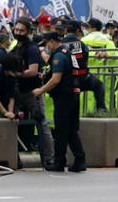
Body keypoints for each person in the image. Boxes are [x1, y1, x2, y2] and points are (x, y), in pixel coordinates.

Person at [32, 32, 86, 173]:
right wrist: (45, 75)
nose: (46, 46)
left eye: (46, 43)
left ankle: (59, 162)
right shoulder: (66, 52)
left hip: (64, 98)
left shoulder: (59, 56)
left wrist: (41, 90)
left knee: (61, 131)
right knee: (71, 131)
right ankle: (80, 160)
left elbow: (56, 79)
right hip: (72, 95)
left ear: (51, 42)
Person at [11, 17, 55, 169]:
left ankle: (49, 159)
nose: (18, 32)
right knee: (11, 123)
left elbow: (33, 71)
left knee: (42, 124)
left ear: (29, 32)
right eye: (16, 30)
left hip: (32, 92)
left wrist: (16, 74)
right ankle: (13, 159)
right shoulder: (17, 46)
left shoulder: (31, 48)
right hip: (16, 91)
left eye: (21, 30)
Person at [63, 20, 107, 111]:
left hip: (63, 77)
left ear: (66, 30)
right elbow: (77, 61)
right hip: (78, 78)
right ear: (78, 31)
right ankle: (101, 109)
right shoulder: (76, 43)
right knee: (99, 85)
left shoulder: (60, 42)